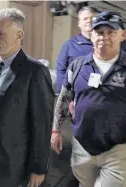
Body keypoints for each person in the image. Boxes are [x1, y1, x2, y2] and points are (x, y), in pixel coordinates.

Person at [0, 8, 55, 187]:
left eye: (0, 34)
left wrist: (38, 167)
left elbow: (42, 123)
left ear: (18, 35)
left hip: (16, 164)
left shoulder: (35, 71)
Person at [51, 11, 126, 187]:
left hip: (117, 149)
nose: (104, 37)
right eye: (99, 32)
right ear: (91, 36)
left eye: (111, 32)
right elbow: (64, 97)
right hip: (82, 147)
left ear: (122, 35)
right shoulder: (78, 65)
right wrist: (56, 130)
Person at [56, 6, 99, 94]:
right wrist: (63, 93)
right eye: (85, 18)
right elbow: (61, 69)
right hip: (74, 95)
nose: (89, 21)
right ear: (79, 23)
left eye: (93, 18)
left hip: (99, 95)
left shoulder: (105, 44)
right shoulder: (69, 45)